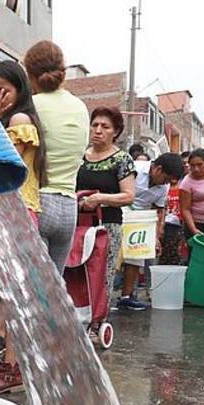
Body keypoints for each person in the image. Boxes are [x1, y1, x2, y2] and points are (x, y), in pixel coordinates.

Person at [0, 59, 47, 394]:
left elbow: (2, 162)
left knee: (14, 297)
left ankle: (13, 369)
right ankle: (13, 366)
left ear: (19, 91)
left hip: (16, 213)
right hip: (10, 213)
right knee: (7, 292)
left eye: (2, 91)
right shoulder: (12, 119)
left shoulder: (18, 120)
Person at [24, 40, 88, 274]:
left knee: (33, 290)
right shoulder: (80, 107)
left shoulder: (29, 106)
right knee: (55, 291)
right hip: (69, 207)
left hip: (37, 202)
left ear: (30, 74)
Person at [75, 106, 136, 326]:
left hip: (108, 226)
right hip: (78, 225)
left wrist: (101, 198)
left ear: (116, 132)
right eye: (95, 125)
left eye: (105, 126)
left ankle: (97, 320)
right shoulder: (80, 156)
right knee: (75, 272)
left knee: (102, 274)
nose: (98, 130)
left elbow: (129, 196)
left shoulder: (122, 159)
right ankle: (76, 319)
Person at [116, 153, 186, 310]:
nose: (166, 183)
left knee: (136, 256)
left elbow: (158, 210)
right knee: (113, 256)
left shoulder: (164, 186)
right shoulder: (133, 169)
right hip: (118, 212)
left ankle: (126, 297)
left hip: (140, 220)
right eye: (166, 179)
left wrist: (155, 236)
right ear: (158, 169)